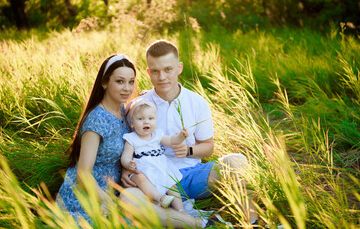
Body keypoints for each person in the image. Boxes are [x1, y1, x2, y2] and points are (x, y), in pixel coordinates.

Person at [56, 54, 205, 228]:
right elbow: (83, 174)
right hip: (92, 196)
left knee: (144, 200)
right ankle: (198, 224)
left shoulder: (122, 108)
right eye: (120, 81)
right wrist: (108, 201)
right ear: (104, 83)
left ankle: (193, 221)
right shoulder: (96, 120)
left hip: (120, 186)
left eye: (131, 82)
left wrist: (126, 168)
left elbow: (140, 120)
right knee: (135, 206)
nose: (127, 88)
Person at [121, 40, 259, 225]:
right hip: (154, 182)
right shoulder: (137, 106)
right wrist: (125, 170)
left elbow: (208, 146)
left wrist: (189, 151)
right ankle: (201, 224)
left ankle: (253, 223)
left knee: (237, 160)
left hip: (192, 175)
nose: (162, 77)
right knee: (129, 198)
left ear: (179, 68)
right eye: (155, 71)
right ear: (148, 72)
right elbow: (128, 145)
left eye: (168, 69)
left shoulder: (197, 102)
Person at [121, 98, 189, 212]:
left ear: (156, 121)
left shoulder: (157, 135)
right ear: (132, 123)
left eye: (150, 118)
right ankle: (160, 198)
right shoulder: (131, 138)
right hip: (143, 170)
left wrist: (181, 137)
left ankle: (181, 210)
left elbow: (172, 140)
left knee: (171, 184)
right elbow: (125, 156)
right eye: (140, 119)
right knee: (140, 180)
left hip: (161, 168)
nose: (146, 122)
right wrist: (128, 163)